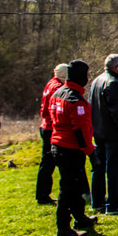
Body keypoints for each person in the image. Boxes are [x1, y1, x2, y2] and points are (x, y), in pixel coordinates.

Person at [49, 60, 98, 236]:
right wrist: (91, 152)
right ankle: (63, 228)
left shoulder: (58, 92)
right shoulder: (76, 100)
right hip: (70, 148)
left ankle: (80, 218)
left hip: (58, 145)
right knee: (68, 189)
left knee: (76, 184)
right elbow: (80, 131)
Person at [89, 54, 118, 214]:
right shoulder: (113, 83)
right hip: (112, 133)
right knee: (115, 169)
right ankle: (113, 204)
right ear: (117, 68)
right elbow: (117, 112)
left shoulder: (96, 81)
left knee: (98, 168)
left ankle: (97, 202)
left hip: (98, 131)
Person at [36, 63, 68, 205]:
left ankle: (43, 194)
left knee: (47, 162)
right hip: (51, 126)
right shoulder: (58, 87)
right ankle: (43, 195)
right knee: (49, 162)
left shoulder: (50, 83)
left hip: (46, 124)